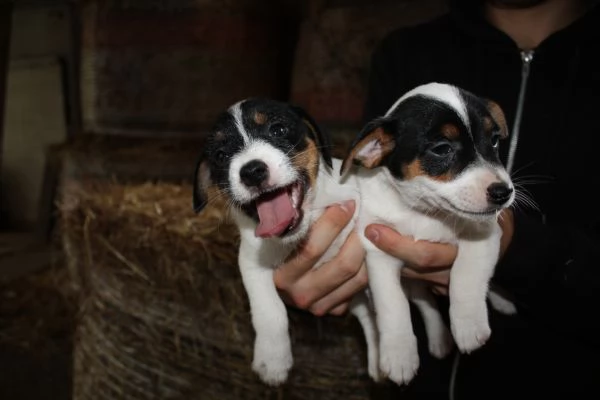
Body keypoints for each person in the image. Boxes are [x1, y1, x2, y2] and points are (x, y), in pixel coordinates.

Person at [273, 0, 600, 398]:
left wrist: (521, 250)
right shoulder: (403, 54)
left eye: (492, 140)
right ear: (372, 151)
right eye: (443, 151)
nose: (497, 180)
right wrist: (304, 259)